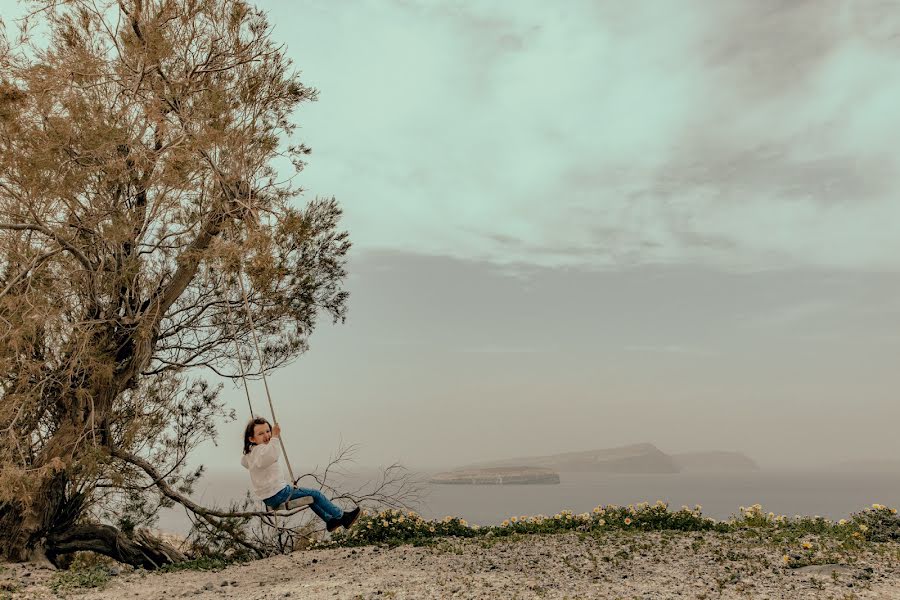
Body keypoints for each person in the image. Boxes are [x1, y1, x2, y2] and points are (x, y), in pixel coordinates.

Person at [241, 417, 360, 532]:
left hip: (269, 498)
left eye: (268, 431)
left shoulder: (251, 454)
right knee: (316, 494)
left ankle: (330, 520)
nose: (267, 435)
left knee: (311, 498)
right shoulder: (261, 451)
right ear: (252, 439)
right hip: (278, 493)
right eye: (261, 434)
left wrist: (255, 446)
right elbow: (272, 454)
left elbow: (245, 462)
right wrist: (275, 436)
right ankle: (343, 517)